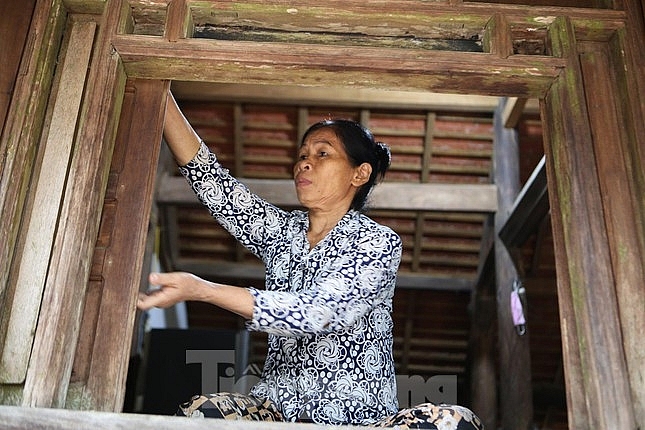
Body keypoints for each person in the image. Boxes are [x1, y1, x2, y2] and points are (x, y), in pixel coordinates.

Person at [138, 91, 484, 430]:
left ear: (359, 174)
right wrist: (161, 92)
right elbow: (210, 180)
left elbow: (318, 312)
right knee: (204, 411)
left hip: (361, 422)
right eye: (303, 154)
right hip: (278, 414)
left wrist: (202, 290)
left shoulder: (377, 242)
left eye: (323, 153)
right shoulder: (280, 233)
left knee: (453, 422)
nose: (304, 162)